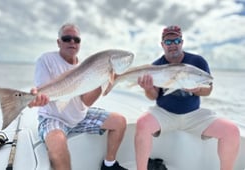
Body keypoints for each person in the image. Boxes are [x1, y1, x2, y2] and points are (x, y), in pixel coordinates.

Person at [135, 25, 240, 170]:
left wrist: (197, 89)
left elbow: (208, 89)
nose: (173, 45)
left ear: (182, 42)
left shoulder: (198, 62)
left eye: (176, 40)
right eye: (168, 42)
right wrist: (148, 89)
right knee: (142, 124)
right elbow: (153, 96)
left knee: (232, 131)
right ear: (162, 44)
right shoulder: (156, 66)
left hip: (194, 115)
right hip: (164, 113)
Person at [28, 23, 128, 170]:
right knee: (58, 146)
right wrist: (35, 99)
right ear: (58, 42)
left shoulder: (85, 66)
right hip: (54, 117)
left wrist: (102, 81)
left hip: (80, 116)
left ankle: (109, 165)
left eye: (76, 39)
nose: (72, 42)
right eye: (67, 38)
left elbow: (86, 101)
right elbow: (42, 91)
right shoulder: (46, 60)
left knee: (119, 122)